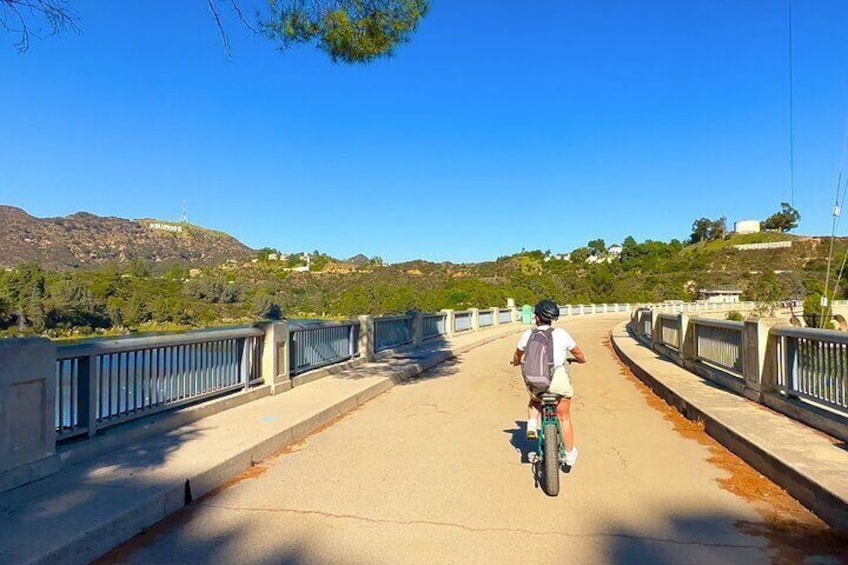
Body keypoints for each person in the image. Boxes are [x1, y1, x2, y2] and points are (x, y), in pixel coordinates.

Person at [511, 299, 586, 467]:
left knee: (535, 400)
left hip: (537, 382)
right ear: (552, 318)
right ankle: (569, 454)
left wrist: (515, 362)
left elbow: (517, 355)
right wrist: (580, 360)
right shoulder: (561, 334)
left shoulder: (528, 335)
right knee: (564, 417)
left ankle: (532, 423)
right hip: (558, 383)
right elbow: (578, 353)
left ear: (536, 317)